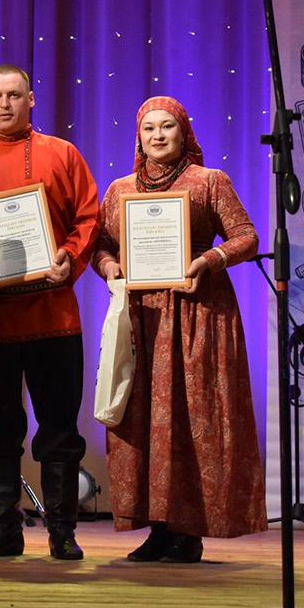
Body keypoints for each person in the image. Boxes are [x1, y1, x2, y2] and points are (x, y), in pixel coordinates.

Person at [91, 96, 267, 564]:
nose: (158, 135)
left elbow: (247, 237)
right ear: (138, 136)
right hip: (141, 319)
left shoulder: (210, 181)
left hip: (197, 314)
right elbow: (100, 246)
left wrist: (207, 260)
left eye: (167, 126)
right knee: (142, 418)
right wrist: (109, 268)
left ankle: (189, 531)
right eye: (148, 128)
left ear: (183, 131)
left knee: (193, 417)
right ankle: (158, 528)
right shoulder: (119, 189)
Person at [0, 64, 100, 560]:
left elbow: (89, 217)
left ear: (31, 99)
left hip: (54, 317)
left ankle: (62, 532)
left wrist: (68, 257)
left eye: (14, 95)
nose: (6, 103)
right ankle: (5, 529)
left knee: (60, 431)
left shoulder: (62, 153)